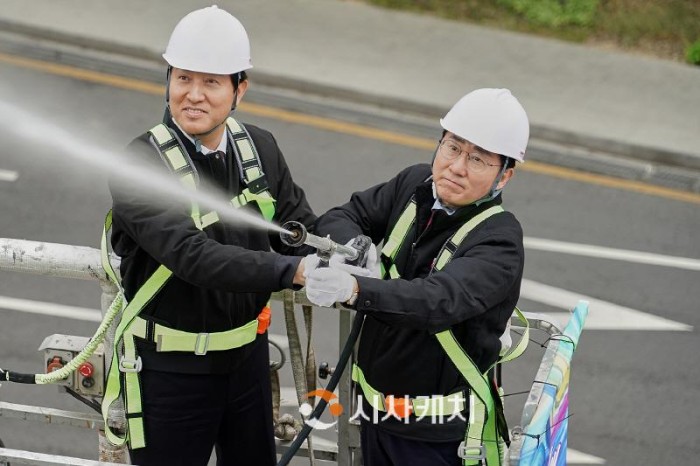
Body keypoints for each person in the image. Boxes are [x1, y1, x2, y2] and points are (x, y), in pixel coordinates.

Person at [102, 6, 316, 466]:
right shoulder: (141, 163)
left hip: (248, 363)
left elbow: (298, 227)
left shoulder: (258, 147)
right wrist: (292, 271)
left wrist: (341, 249)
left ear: (240, 89)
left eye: (211, 83)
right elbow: (193, 256)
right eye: (182, 79)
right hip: (171, 372)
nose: (193, 96)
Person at [304, 88, 529, 466]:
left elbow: (435, 301)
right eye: (453, 147)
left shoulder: (499, 240)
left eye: (478, 159)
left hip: (438, 437)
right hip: (376, 418)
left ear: (504, 176)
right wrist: (354, 245)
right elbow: (342, 215)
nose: (457, 166)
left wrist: (356, 288)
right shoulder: (415, 185)